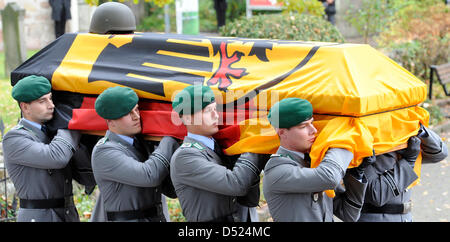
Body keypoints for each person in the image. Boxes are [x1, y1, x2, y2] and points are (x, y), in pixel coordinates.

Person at [170, 85, 269, 222]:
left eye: (215, 109)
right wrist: (254, 142)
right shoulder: (185, 156)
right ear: (187, 119)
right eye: (207, 111)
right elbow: (236, 184)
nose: (216, 115)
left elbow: (249, 200)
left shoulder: (219, 146)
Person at [262, 97, 368, 222]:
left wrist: (356, 174)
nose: (314, 130)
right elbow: (329, 177)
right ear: (282, 133)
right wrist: (346, 141)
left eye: (312, 123)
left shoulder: (314, 162)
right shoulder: (277, 170)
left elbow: (349, 215)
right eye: (303, 126)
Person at [91, 86, 179, 222]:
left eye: (137, 109)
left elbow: (170, 190)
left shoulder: (142, 143)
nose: (136, 116)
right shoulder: (105, 151)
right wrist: (170, 136)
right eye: (127, 113)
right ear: (110, 121)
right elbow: (149, 175)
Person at [2, 75, 81, 222]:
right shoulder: (14, 138)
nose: (51, 105)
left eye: (50, 99)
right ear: (25, 107)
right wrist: (69, 123)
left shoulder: (52, 133)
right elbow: (57, 157)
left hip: (68, 215)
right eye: (42, 101)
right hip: (39, 217)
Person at [358, 124, 448, 222]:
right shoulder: (363, 140)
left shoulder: (404, 137)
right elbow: (377, 195)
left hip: (405, 217)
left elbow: (439, 154)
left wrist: (417, 128)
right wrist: (409, 161)